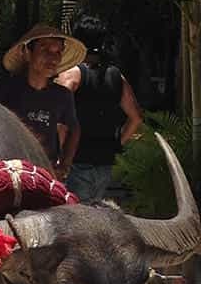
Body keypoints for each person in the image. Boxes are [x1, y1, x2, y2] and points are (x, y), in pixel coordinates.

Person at [55, 16, 143, 202]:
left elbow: (60, 119)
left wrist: (58, 157)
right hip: (105, 164)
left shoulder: (71, 75)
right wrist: (116, 144)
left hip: (75, 163)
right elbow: (136, 118)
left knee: (75, 222)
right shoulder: (117, 76)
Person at [0, 24, 86, 179]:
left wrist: (65, 165)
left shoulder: (62, 95)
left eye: (58, 51)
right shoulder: (7, 88)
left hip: (45, 174)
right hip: (10, 172)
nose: (53, 57)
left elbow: (74, 129)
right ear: (27, 52)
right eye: (44, 49)